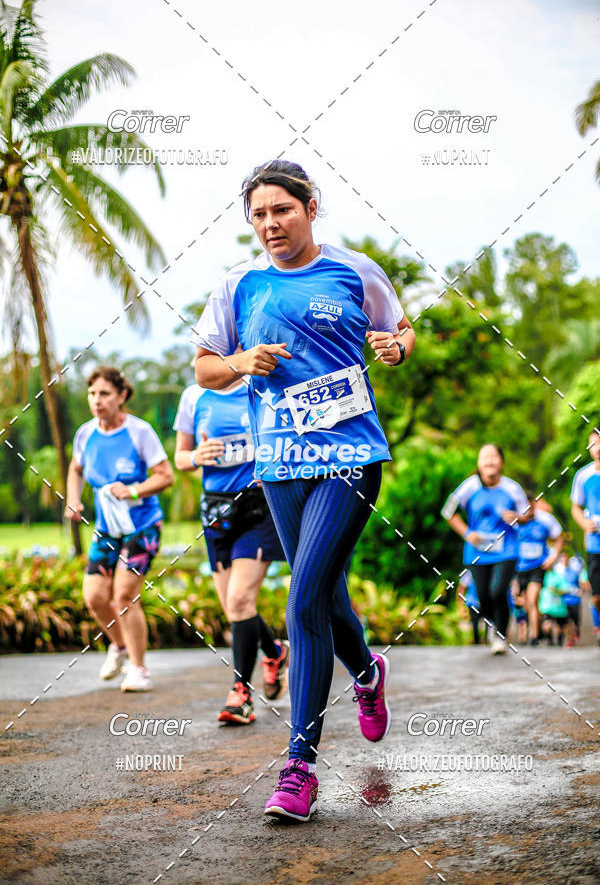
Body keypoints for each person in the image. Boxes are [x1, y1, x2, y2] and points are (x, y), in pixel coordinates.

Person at [193, 158, 415, 821]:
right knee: (325, 595)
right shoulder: (238, 285)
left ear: (310, 208)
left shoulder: (355, 270)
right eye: (259, 214)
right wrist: (240, 361)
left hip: (351, 456)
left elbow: (401, 329)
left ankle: (299, 768)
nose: (270, 224)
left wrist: (396, 347)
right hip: (281, 464)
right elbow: (204, 367)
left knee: (303, 598)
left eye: (282, 210)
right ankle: (367, 673)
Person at [173, 379, 288, 725]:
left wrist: (273, 462)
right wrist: (195, 456)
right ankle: (275, 652)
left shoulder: (262, 386)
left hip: (259, 508)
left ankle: (241, 694)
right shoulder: (194, 396)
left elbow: (290, 438)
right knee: (234, 608)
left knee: (239, 601)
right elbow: (180, 457)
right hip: (217, 511)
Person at [65, 366, 173, 692]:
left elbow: (165, 475)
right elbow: (76, 468)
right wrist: (74, 499)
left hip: (142, 526)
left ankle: (139, 670)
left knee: (124, 594)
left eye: (104, 394)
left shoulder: (139, 432)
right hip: (107, 528)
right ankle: (120, 646)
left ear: (122, 395)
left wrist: (134, 490)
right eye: (92, 394)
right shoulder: (85, 434)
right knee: (95, 596)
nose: (96, 401)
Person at [442, 444, 529, 655]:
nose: (489, 461)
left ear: (502, 461)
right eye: (484, 457)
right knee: (482, 595)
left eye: (493, 457)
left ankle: (500, 635)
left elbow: (527, 513)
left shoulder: (512, 488)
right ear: (479, 463)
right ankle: (492, 625)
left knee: (498, 591)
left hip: (506, 550)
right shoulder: (469, 486)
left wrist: (517, 517)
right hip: (477, 552)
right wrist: (467, 533)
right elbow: (448, 511)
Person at [514, 494, 563, 645]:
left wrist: (553, 558)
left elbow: (559, 538)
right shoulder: (515, 521)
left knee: (532, 599)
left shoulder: (545, 519)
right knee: (526, 603)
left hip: (538, 566)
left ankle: (534, 635)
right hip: (519, 567)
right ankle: (537, 626)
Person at [570, 427, 600, 647]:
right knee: (597, 596)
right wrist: (584, 524)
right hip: (594, 544)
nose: (597, 448)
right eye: (593, 444)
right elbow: (576, 507)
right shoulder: (583, 476)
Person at [538, 566, 570, 646]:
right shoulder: (541, 574)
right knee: (547, 624)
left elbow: (566, 589)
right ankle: (550, 640)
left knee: (561, 626)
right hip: (546, 606)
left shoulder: (559, 575)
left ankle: (559, 642)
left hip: (558, 607)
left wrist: (556, 590)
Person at [457, 569, 483, 644]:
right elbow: (461, 589)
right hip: (473, 602)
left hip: (485, 601)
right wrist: (460, 605)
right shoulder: (469, 573)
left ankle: (485, 639)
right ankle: (476, 639)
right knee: (474, 622)